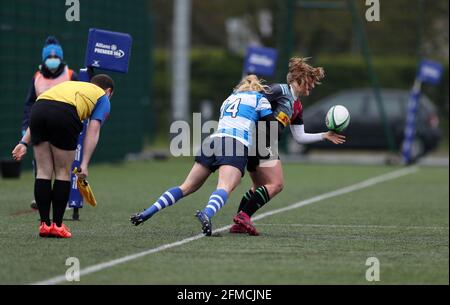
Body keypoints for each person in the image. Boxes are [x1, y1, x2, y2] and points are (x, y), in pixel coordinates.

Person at [130, 75, 275, 236]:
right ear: (259, 88)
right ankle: (207, 213)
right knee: (225, 187)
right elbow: (271, 124)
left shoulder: (229, 98)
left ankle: (148, 211)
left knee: (185, 187)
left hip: (212, 142)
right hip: (234, 143)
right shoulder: (260, 99)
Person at [230, 57, 346, 236]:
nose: (313, 86)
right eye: (311, 81)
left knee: (259, 186)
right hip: (258, 140)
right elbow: (251, 101)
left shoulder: (297, 106)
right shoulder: (279, 90)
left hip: (263, 143)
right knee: (276, 184)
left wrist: (325, 135)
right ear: (299, 79)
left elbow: (299, 136)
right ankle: (244, 216)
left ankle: (239, 221)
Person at [12, 75, 114, 238]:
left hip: (38, 109)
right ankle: (58, 226)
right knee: (62, 172)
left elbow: (47, 106)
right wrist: (85, 163)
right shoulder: (103, 97)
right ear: (109, 91)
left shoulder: (72, 85)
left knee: (43, 171)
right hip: (64, 113)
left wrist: (23, 142)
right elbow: (93, 130)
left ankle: (44, 225)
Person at [22, 36, 78, 210]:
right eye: (49, 57)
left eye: (55, 57)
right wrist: (26, 127)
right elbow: (30, 103)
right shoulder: (37, 77)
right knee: (42, 166)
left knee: (63, 165)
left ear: (61, 58)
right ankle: (42, 199)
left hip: (64, 123)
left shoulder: (71, 75)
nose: (52, 60)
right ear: (44, 59)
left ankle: (65, 200)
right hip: (40, 123)